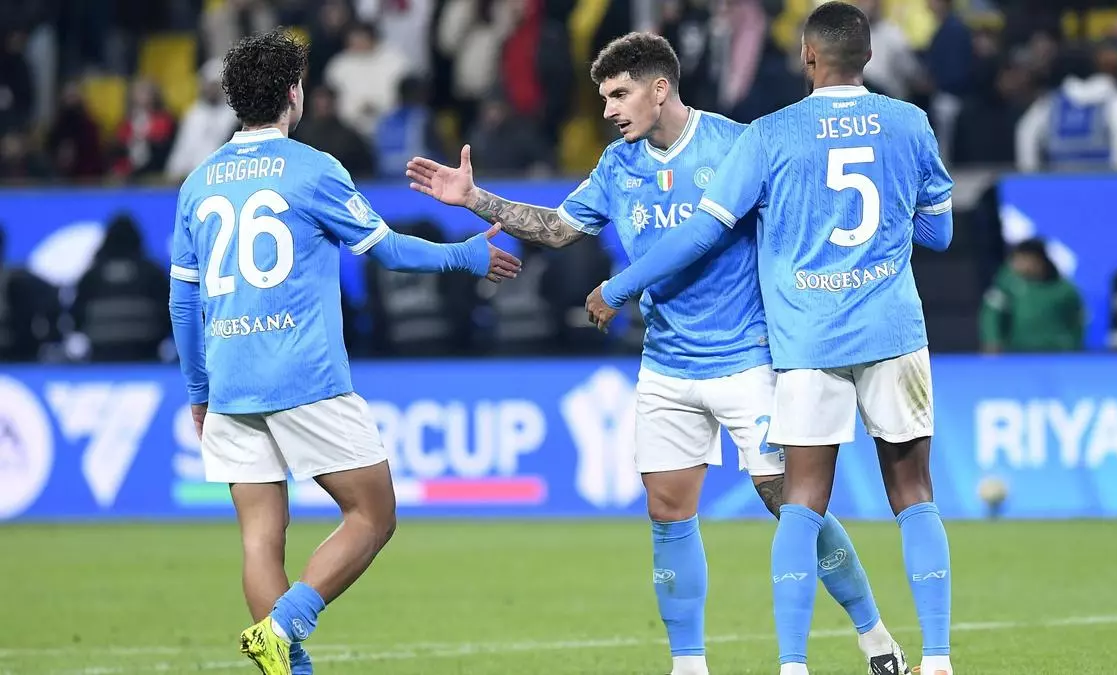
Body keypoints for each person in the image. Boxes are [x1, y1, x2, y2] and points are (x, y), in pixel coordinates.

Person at [406, 31, 910, 675]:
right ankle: (688, 664)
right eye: (604, 98)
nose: (609, 110)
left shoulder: (735, 144)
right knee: (668, 511)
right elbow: (559, 229)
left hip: (748, 357)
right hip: (667, 364)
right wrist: (475, 199)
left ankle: (875, 639)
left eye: (620, 95)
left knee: (790, 503)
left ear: (660, 88)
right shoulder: (619, 166)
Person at [586, 5, 955, 675]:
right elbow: (939, 233)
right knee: (914, 493)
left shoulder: (769, 133)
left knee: (801, 503)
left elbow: (704, 231)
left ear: (807, 56)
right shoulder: (910, 122)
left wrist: (619, 287)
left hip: (807, 336)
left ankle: (792, 665)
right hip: (892, 328)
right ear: (869, 56)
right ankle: (936, 660)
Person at [168, 28, 520, 675]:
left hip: (229, 381)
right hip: (302, 375)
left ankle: (288, 662)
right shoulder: (313, 169)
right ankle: (284, 626)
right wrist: (465, 255)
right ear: (293, 94)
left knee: (260, 538)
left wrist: (198, 391)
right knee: (373, 513)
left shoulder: (197, 182)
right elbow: (387, 249)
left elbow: (183, 305)